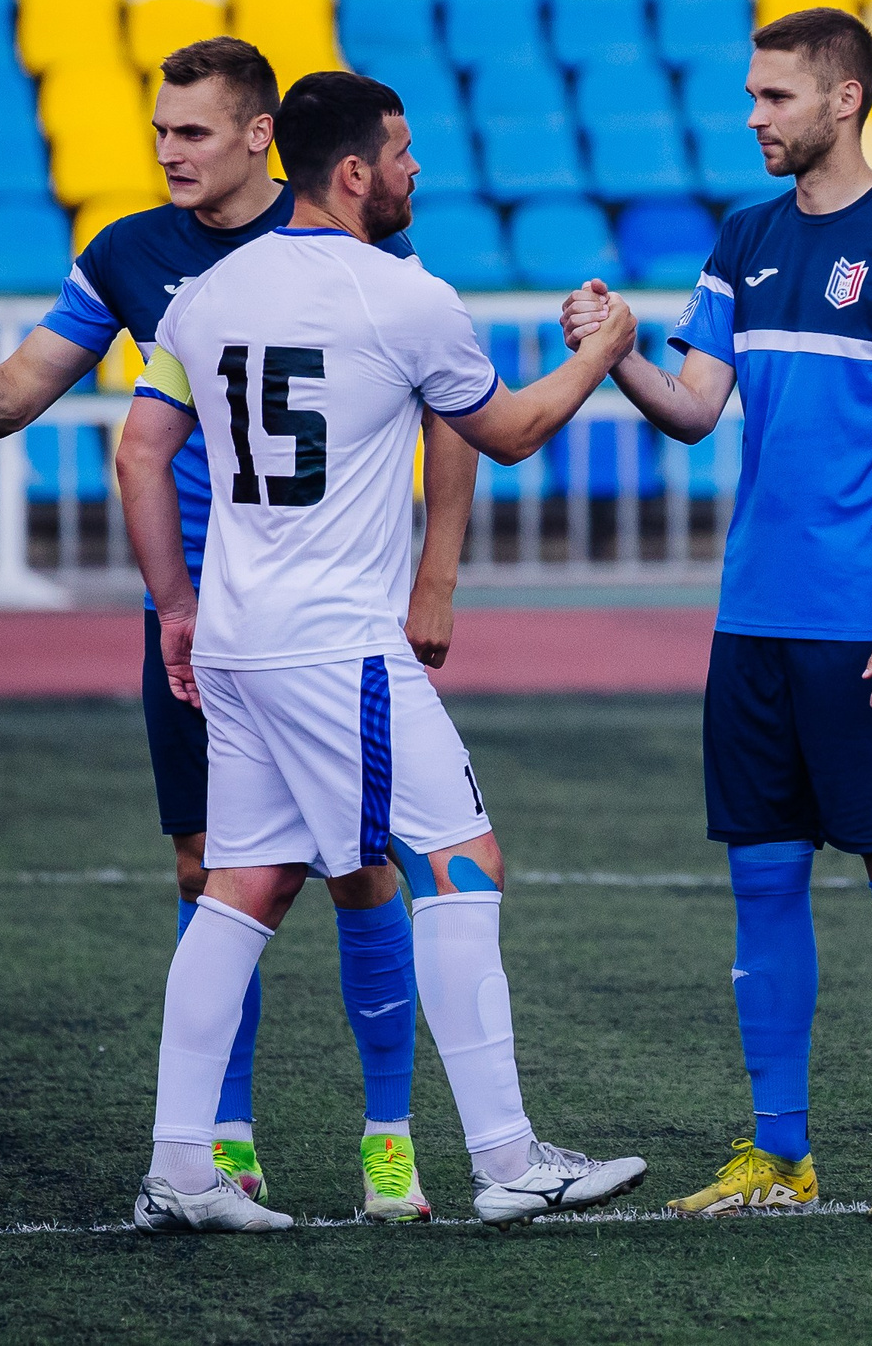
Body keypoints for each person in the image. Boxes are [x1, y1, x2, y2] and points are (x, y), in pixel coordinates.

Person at [0, 37, 474, 1218]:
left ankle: (388, 1145)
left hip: (321, 613)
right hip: (196, 626)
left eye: (191, 132)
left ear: (259, 135)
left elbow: (449, 406)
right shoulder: (128, 253)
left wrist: (436, 576)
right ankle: (223, 1150)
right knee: (207, 873)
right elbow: (14, 398)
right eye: (159, 131)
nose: (167, 152)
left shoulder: (357, 243)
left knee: (361, 874)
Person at [119, 70, 647, 1232]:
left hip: (238, 639)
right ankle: (508, 1158)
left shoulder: (204, 296)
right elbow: (509, 431)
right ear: (354, 171)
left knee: (241, 888)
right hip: (335, 645)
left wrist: (174, 606)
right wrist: (605, 348)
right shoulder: (405, 295)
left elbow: (137, 452)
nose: (416, 169)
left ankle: (181, 1168)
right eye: (402, 152)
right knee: (461, 861)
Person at [564, 8, 872, 1224]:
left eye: (774, 97)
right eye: (752, 95)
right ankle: (779, 1155)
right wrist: (619, 351)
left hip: (864, 623)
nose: (753, 116)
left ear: (843, 99)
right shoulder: (744, 238)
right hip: (752, 619)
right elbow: (695, 408)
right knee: (761, 880)